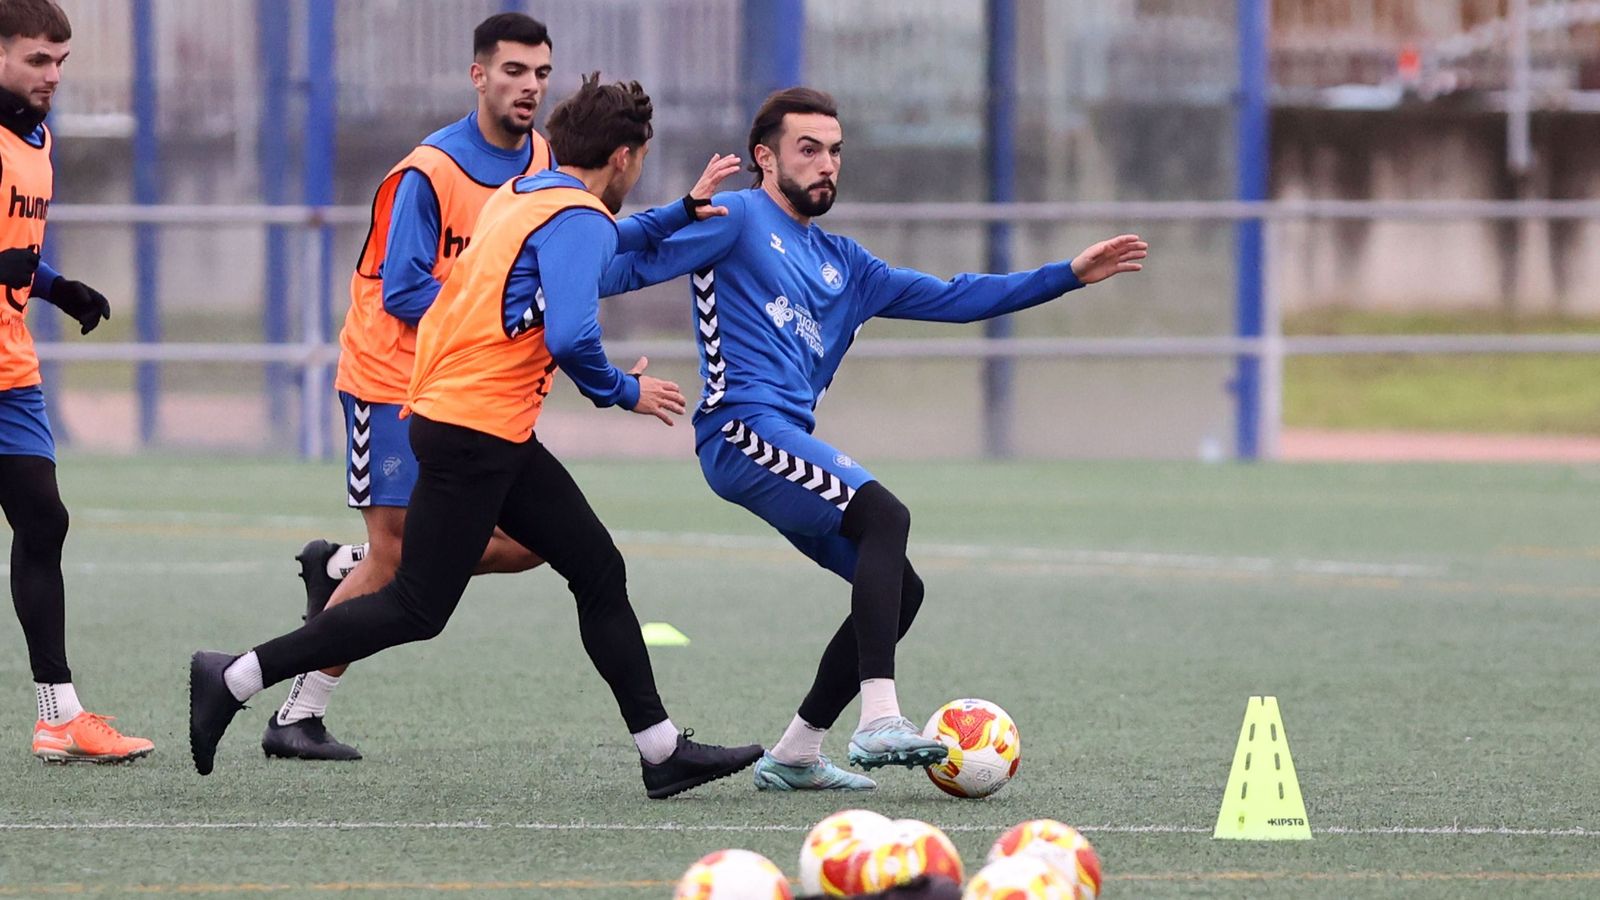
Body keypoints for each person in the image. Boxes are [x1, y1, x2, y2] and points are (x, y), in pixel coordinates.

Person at [191, 74, 762, 799]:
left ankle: (661, 752)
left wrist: (680, 210)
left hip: (475, 425)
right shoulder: (575, 216)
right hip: (476, 431)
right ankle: (235, 677)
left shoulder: (528, 193)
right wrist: (625, 391)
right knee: (416, 607)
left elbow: (609, 237)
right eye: (641, 160)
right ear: (623, 157)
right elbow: (573, 333)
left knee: (595, 567)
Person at [604, 87, 1147, 791]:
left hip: (783, 440)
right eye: (808, 149)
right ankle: (879, 718)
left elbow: (958, 297)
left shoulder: (849, 266)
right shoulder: (733, 217)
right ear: (764, 158)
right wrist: (569, 297)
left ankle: (796, 753)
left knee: (901, 591)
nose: (826, 163)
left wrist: (1067, 276)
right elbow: (618, 266)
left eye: (834, 151)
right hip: (739, 430)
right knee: (885, 514)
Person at [0, 0, 151, 764]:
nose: (53, 75)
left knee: (44, 521)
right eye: (37, 59)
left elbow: (16, 248)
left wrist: (58, 288)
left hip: (10, 371)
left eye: (60, 61)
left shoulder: (37, 138)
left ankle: (59, 716)